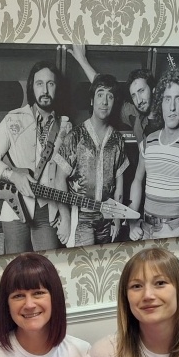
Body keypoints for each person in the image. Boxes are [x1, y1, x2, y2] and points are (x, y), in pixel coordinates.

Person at [0, 61, 73, 254]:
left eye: (50, 84)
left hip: (49, 212)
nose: (45, 90)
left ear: (57, 88)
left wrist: (66, 216)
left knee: (48, 269)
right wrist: (14, 176)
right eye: (39, 83)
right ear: (31, 87)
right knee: (15, 270)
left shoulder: (66, 127)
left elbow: (66, 178)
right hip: (15, 209)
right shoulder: (13, 119)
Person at [127, 63, 179, 240]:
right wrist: (132, 220)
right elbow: (137, 180)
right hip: (143, 228)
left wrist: (176, 233)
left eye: (178, 99)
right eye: (167, 99)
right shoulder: (149, 141)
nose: (172, 107)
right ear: (160, 102)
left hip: (171, 229)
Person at [57, 73, 129, 247]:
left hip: (106, 216)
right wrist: (65, 218)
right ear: (92, 100)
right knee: (84, 265)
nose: (105, 102)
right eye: (100, 94)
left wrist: (117, 218)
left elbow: (119, 186)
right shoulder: (76, 136)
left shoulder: (117, 139)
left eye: (110, 96)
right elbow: (59, 179)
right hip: (81, 216)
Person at [67, 45, 160, 147]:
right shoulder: (135, 115)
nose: (139, 100)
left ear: (153, 90)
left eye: (141, 91)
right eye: (133, 95)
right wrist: (82, 60)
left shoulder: (170, 115)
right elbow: (104, 87)